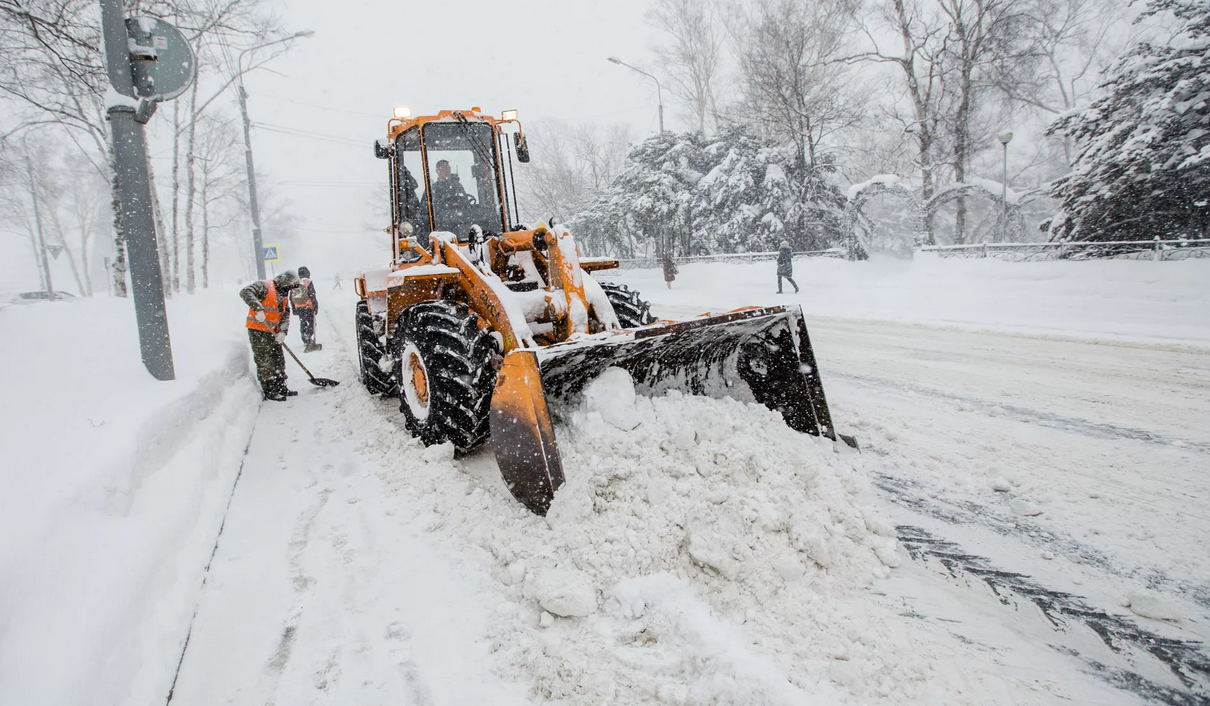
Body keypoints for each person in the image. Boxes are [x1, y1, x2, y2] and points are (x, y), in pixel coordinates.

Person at [241, 270, 301, 402]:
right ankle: (269, 389)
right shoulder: (264, 286)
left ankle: (280, 386)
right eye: (289, 287)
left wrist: (282, 332)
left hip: (273, 331)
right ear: (284, 282)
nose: (289, 290)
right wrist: (258, 308)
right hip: (258, 331)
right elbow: (245, 292)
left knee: (278, 358)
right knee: (265, 361)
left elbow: (285, 315)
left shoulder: (284, 295)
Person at [289, 266, 321, 352]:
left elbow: (290, 297)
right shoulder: (308, 282)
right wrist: (315, 306)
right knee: (311, 323)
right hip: (308, 306)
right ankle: (308, 338)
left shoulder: (295, 283)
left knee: (303, 322)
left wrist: (294, 309)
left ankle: (305, 338)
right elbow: (312, 295)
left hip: (299, 307)